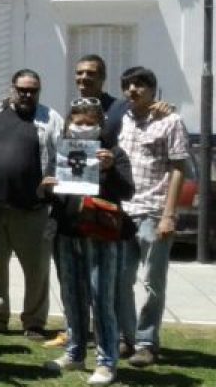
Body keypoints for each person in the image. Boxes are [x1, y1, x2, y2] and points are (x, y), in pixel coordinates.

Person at [0, 69, 63, 340]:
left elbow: (66, 155)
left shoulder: (50, 118)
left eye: (33, 90)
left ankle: (34, 322)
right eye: (22, 90)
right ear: (12, 89)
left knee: (36, 269)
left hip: (32, 208)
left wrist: (56, 183)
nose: (27, 95)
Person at [42, 100, 134, 386]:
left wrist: (109, 169)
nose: (82, 128)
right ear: (69, 123)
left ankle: (107, 362)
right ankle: (75, 352)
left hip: (101, 236)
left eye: (88, 123)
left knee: (102, 299)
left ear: (100, 124)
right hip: (67, 233)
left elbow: (127, 191)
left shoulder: (114, 153)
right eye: (77, 122)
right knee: (72, 296)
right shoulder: (61, 151)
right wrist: (46, 187)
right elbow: (46, 190)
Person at [115, 66, 188, 367]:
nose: (133, 90)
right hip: (121, 212)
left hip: (154, 211)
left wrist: (169, 215)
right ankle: (125, 337)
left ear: (153, 89)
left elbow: (179, 168)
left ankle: (147, 342)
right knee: (120, 279)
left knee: (152, 282)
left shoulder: (171, 121)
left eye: (140, 85)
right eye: (128, 85)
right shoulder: (119, 119)